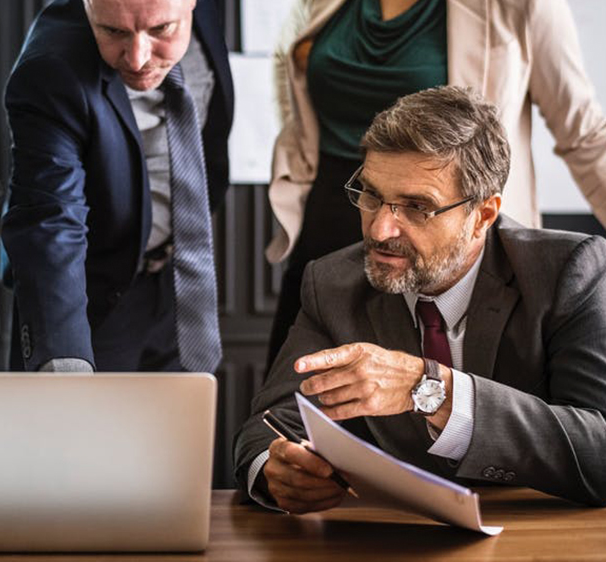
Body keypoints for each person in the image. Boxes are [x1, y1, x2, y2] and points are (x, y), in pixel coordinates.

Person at [236, 85, 606, 512]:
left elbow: (598, 451)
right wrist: (274, 470)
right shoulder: (332, 282)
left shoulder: (565, 272)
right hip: (393, 538)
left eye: (417, 207)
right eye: (371, 196)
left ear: (482, 215)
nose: (379, 230)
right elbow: (268, 426)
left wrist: (430, 388)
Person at [265, 0, 606, 371]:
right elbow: (291, 74)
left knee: (444, 409)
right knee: (299, 404)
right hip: (331, 218)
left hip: (445, 239)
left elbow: (585, 135)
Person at [2, 0, 234, 373]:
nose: (138, 58)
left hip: (182, 281)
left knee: (179, 441)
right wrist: (64, 361)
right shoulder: (50, 72)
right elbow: (50, 221)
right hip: (93, 299)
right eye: (113, 31)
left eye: (162, 29)